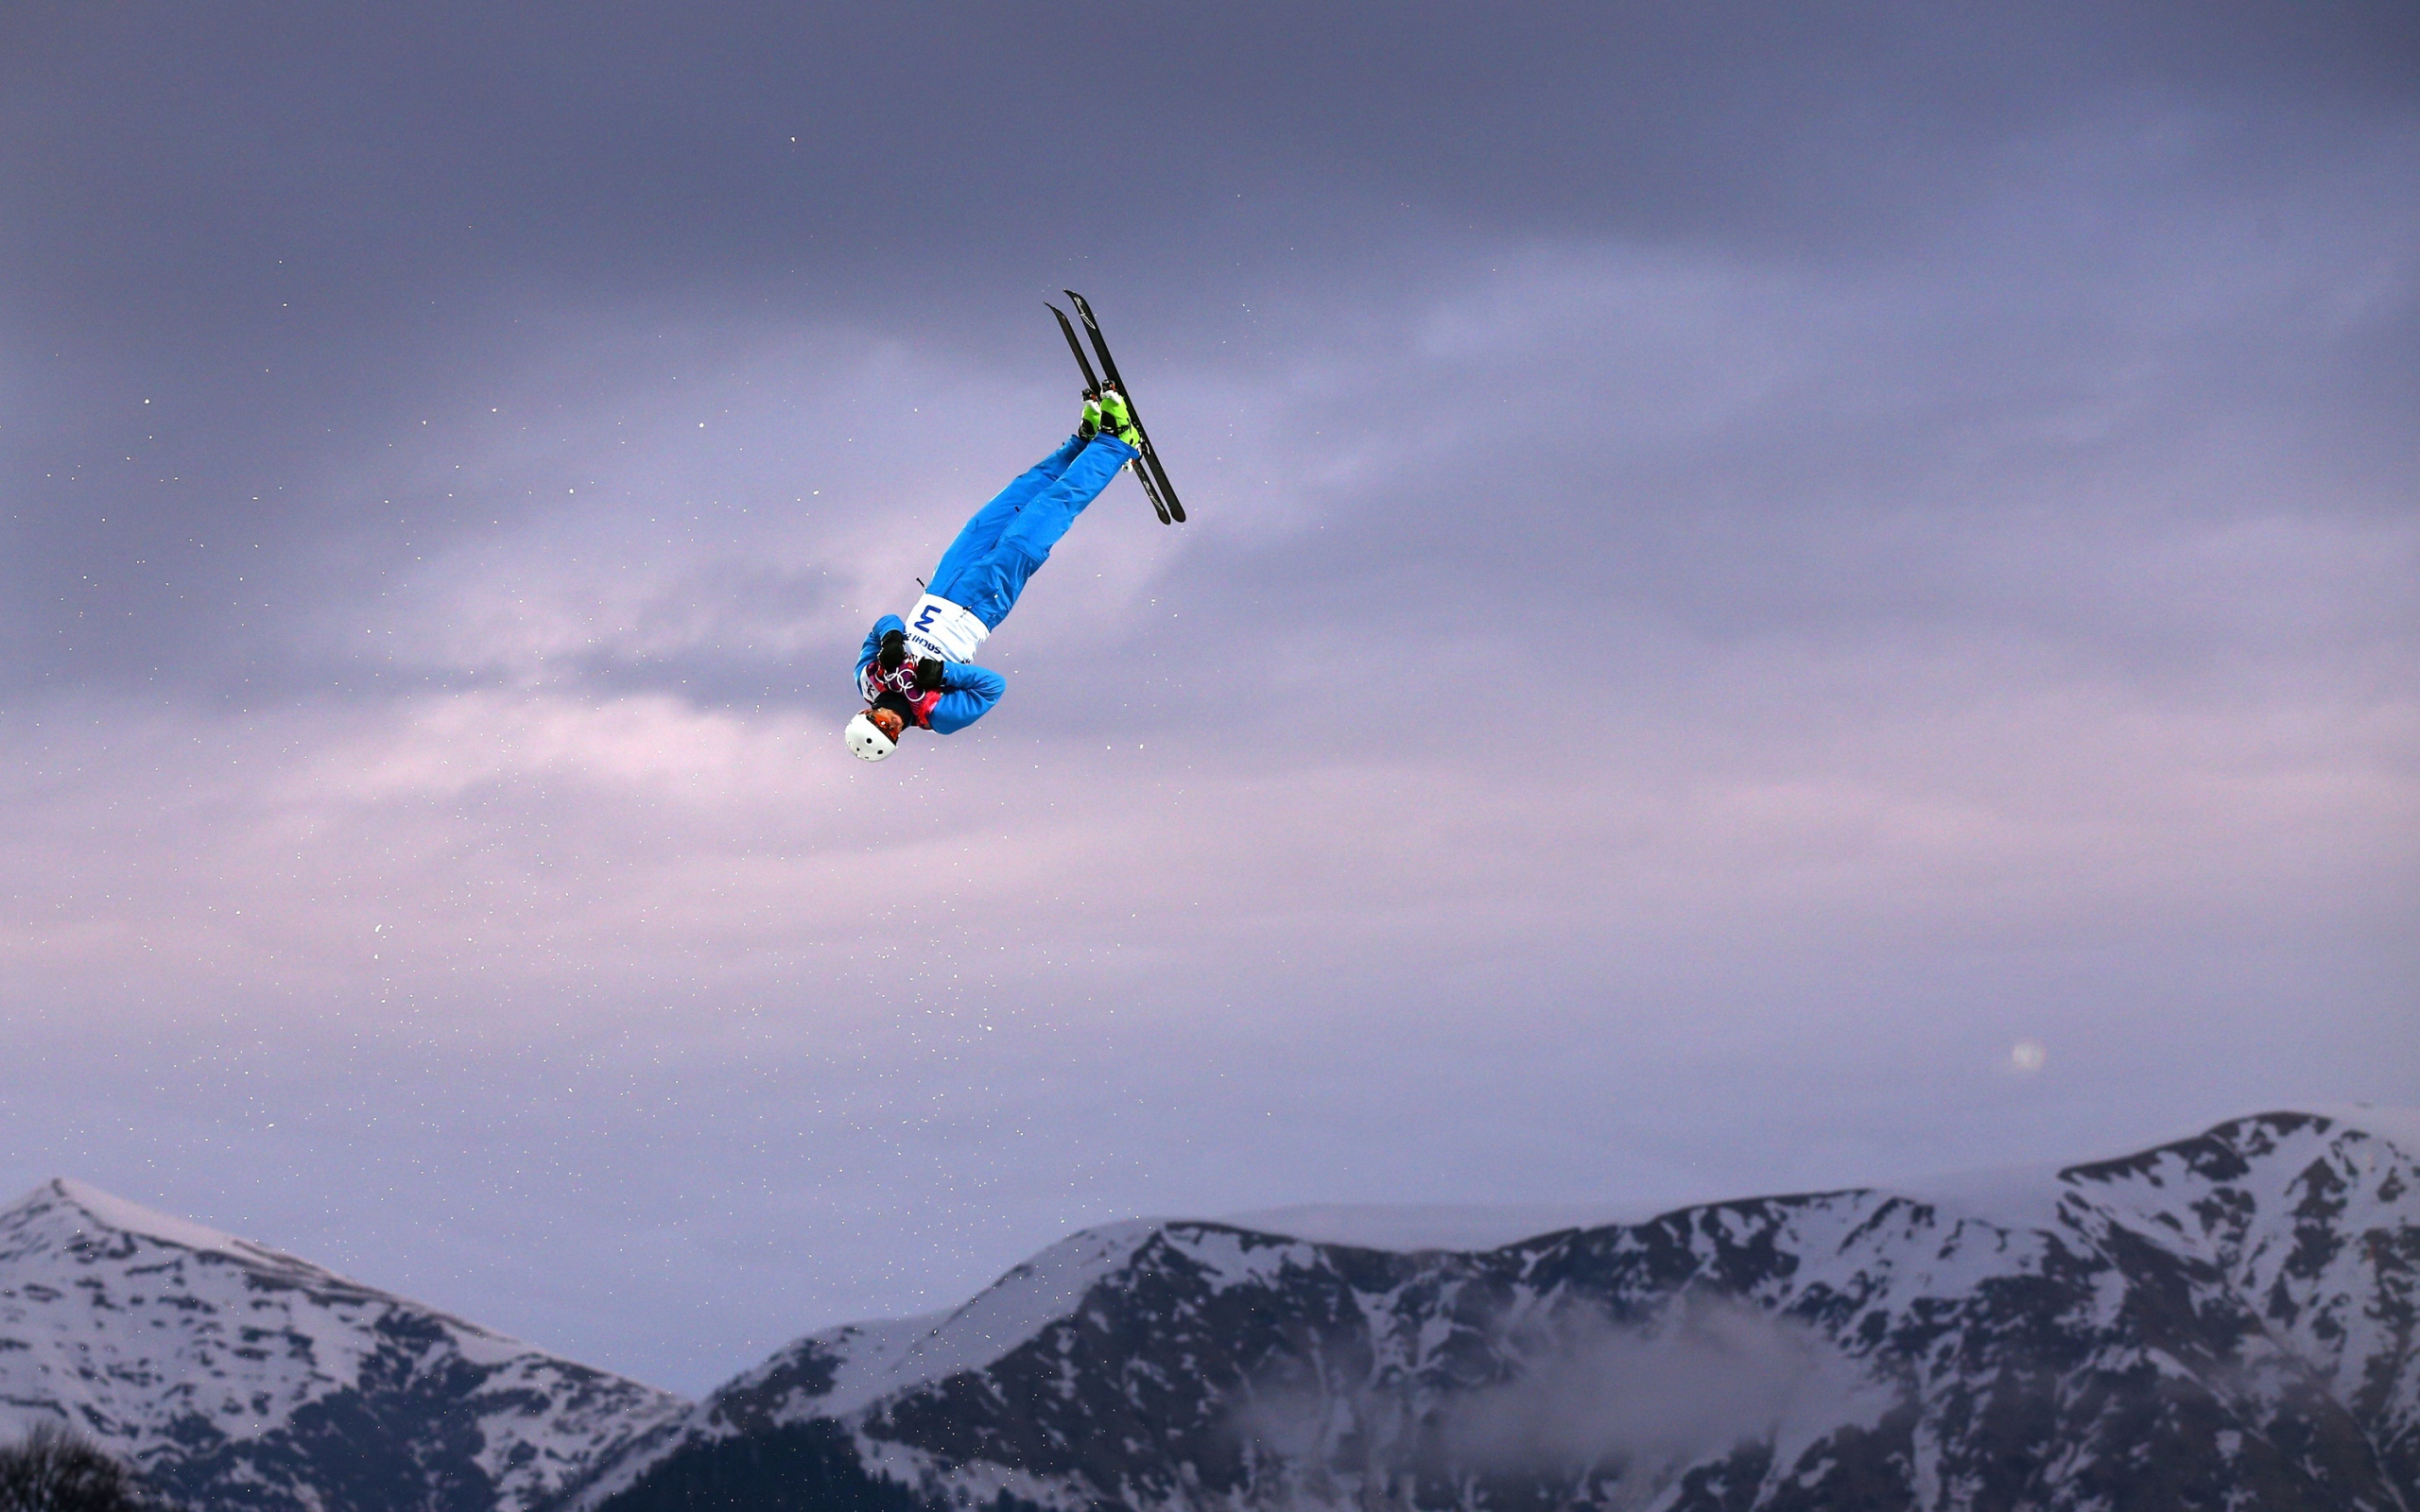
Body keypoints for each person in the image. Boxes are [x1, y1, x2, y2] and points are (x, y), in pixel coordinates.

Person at [845, 392, 1142, 761]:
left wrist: (891, 636)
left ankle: (1081, 445)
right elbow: (992, 687)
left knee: (1006, 504)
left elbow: (880, 627)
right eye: (890, 732)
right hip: (981, 604)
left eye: (878, 721)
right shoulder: (938, 717)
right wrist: (943, 674)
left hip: (943, 586)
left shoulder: (867, 679)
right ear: (898, 739)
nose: (889, 720)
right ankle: (1117, 443)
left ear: (865, 713)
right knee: (1043, 516)